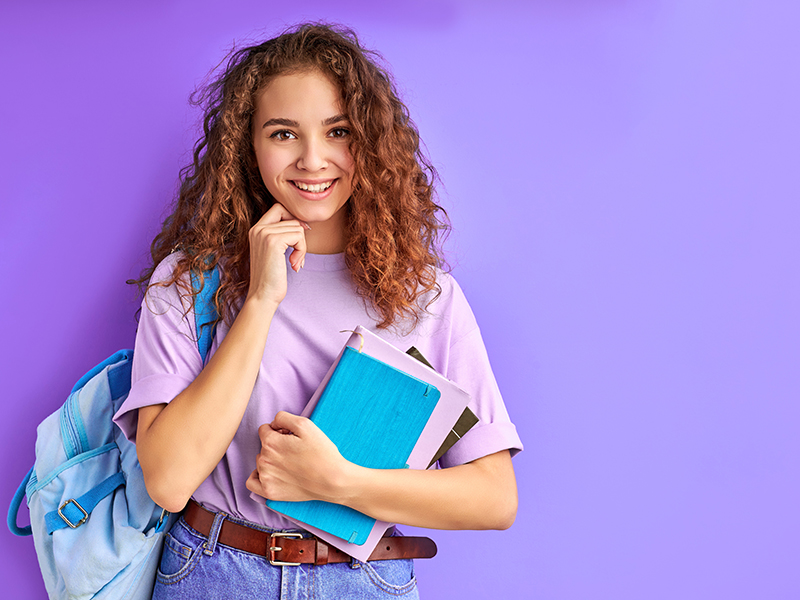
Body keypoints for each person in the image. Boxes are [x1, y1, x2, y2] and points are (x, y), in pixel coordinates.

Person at [113, 22, 522, 599]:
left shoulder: (423, 295)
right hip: (214, 571)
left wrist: (339, 482)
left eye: (338, 131)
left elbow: (494, 497)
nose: (312, 159)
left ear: (371, 142)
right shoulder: (189, 281)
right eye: (283, 132)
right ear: (247, 144)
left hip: (365, 580)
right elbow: (169, 481)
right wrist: (260, 299)